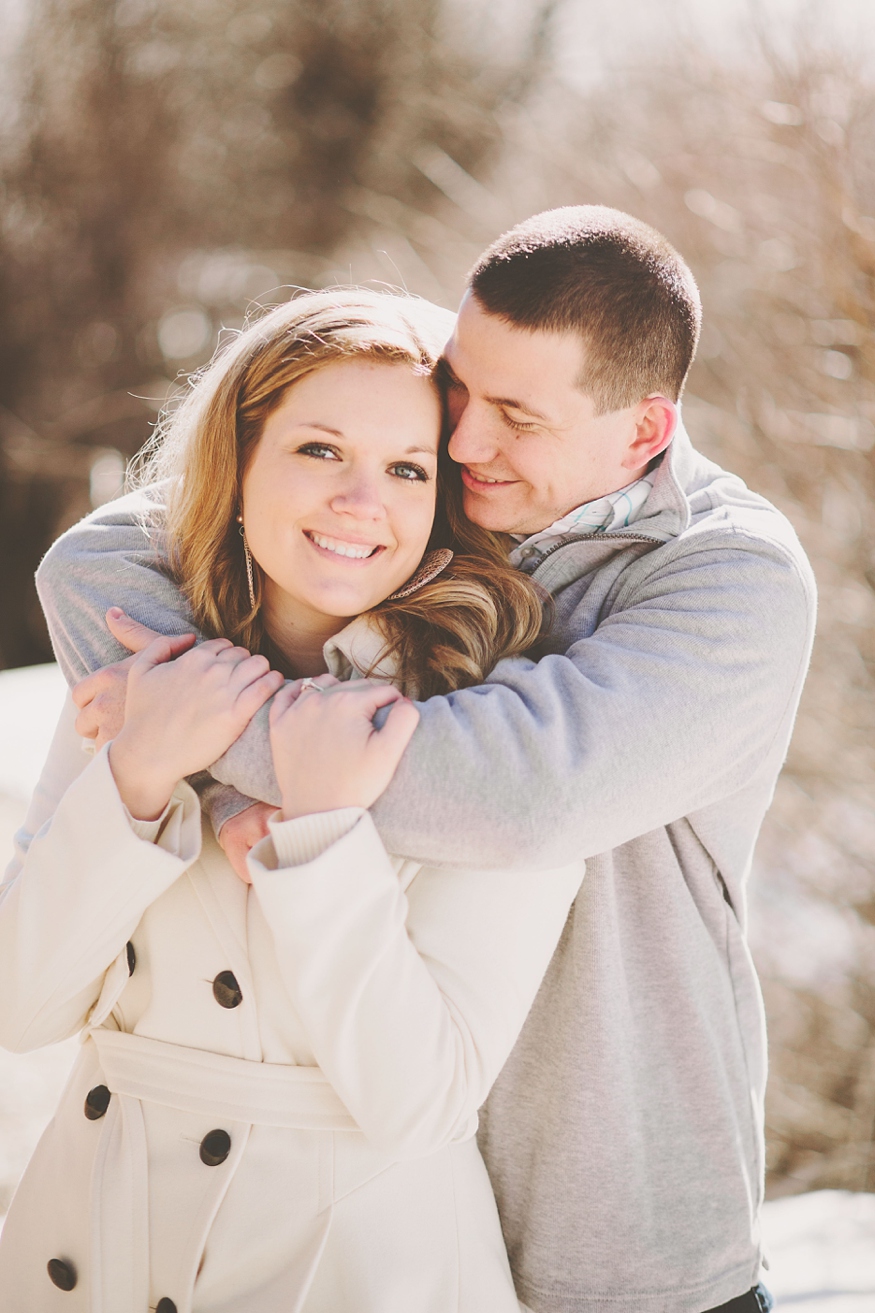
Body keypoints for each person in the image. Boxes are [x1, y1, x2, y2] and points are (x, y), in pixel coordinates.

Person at [31, 207, 816, 1313]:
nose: (458, 442)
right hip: (383, 1203)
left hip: (605, 1222)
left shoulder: (724, 577)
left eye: (512, 415)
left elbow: (514, 795)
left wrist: (209, 730)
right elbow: (103, 554)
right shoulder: (451, 493)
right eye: (458, 387)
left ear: (641, 431)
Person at [0, 288, 586, 1311]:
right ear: (238, 465)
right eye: (320, 450)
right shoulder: (147, 678)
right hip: (91, 1231)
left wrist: (320, 838)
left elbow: (424, 1101)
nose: (365, 500)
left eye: (408, 468)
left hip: (343, 1263)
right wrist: (137, 780)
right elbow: (19, 1007)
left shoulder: (496, 720)